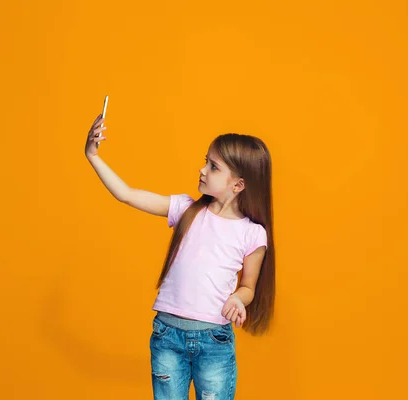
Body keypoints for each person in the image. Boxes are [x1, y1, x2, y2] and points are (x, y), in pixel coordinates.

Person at [85, 113, 276, 399]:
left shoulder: (252, 234)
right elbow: (125, 194)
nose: (202, 169)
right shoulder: (185, 209)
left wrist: (238, 298)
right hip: (167, 336)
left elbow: (248, 286)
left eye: (213, 167)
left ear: (238, 185)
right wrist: (93, 156)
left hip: (214, 340)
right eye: (206, 161)